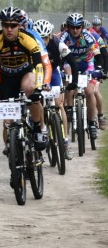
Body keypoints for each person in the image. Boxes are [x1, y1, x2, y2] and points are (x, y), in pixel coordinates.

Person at [0, 7, 51, 165]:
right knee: (8, 122)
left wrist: (38, 87)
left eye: (13, 25)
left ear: (19, 26)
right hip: (7, 79)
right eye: (5, 25)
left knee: (30, 88)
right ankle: (11, 151)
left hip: (25, 73)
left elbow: (38, 64)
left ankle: (37, 128)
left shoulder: (27, 38)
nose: (9, 29)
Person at [33, 18, 77, 159]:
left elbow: (72, 63)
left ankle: (65, 141)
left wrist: (74, 82)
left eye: (45, 38)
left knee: (59, 104)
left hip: (54, 74)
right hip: (38, 73)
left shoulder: (58, 44)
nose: (43, 41)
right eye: (40, 38)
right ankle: (42, 128)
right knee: (36, 101)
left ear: (50, 35)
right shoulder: (31, 45)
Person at [60, 13, 103, 139]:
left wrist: (99, 69)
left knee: (90, 92)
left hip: (86, 64)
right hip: (69, 63)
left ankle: (91, 123)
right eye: (72, 27)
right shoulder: (64, 37)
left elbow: (98, 54)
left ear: (82, 27)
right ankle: (68, 108)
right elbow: (59, 56)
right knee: (68, 79)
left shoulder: (88, 36)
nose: (75, 30)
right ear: (68, 27)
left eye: (78, 27)